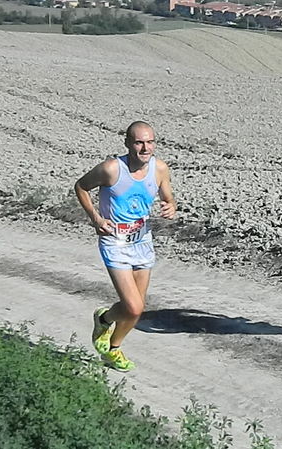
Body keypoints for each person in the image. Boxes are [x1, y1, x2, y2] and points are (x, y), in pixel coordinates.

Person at [75, 121, 176, 371]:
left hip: (142, 239)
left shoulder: (160, 169)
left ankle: (106, 326)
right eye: (139, 142)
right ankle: (113, 348)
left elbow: (168, 196)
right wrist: (96, 218)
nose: (145, 148)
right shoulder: (111, 169)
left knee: (135, 310)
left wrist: (170, 206)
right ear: (128, 143)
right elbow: (81, 187)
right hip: (115, 241)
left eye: (150, 142)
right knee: (134, 306)